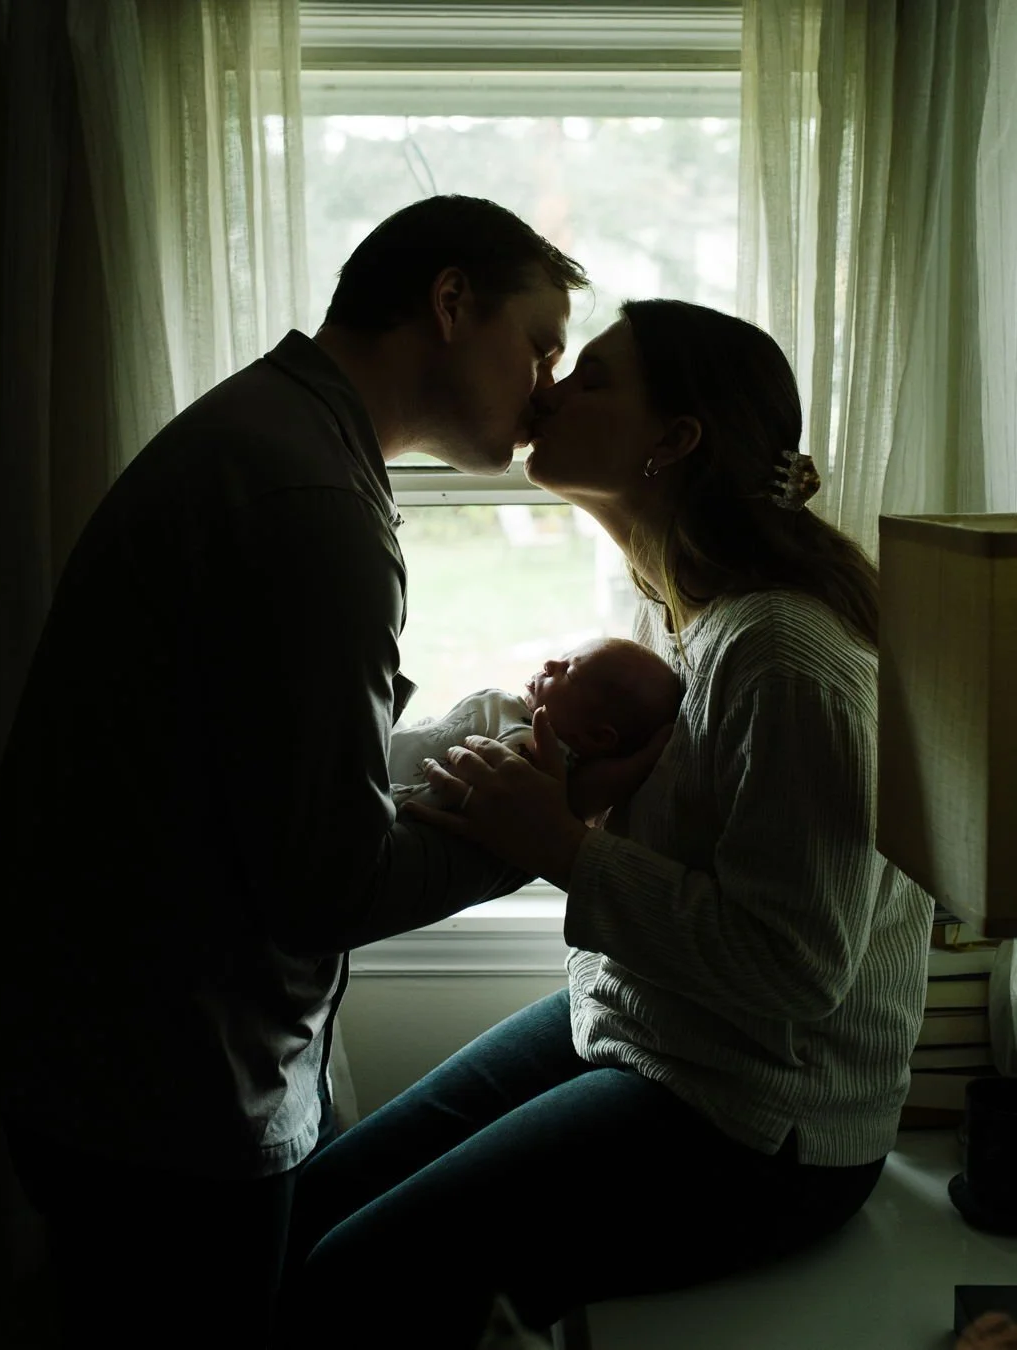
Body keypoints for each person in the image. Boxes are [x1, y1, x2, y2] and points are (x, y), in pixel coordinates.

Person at [0, 196, 593, 1349]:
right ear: (449, 305)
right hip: (156, 1089)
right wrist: (548, 828)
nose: (548, 388)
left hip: (94, 1056)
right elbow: (325, 882)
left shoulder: (276, 437)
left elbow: (269, 771)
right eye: (538, 344)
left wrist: (483, 748)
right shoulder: (315, 507)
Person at [275, 300, 936, 1348]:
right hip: (644, 1022)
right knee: (298, 1215)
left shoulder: (782, 653)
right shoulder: (675, 613)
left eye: (589, 379)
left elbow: (799, 967)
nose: (548, 392)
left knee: (353, 1278)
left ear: (673, 443)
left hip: (762, 1128)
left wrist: (565, 850)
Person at [389, 637, 682, 805]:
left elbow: (589, 792)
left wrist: (646, 759)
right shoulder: (519, 718)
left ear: (596, 737)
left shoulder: (531, 754)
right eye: (563, 657)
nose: (549, 664)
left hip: (379, 783)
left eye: (569, 672)